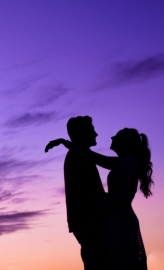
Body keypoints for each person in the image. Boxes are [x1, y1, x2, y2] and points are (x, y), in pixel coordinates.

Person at [47, 126, 153, 270]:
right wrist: (65, 142)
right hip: (114, 219)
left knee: (124, 262)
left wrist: (101, 207)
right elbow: (92, 156)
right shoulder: (120, 162)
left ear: (124, 142)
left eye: (116, 136)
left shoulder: (128, 163)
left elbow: (127, 194)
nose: (111, 138)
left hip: (122, 220)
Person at [46, 116, 109, 270]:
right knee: (97, 262)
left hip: (86, 219)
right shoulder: (80, 154)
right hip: (88, 219)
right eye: (92, 130)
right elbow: (82, 190)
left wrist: (64, 142)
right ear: (83, 133)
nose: (96, 134)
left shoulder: (79, 152)